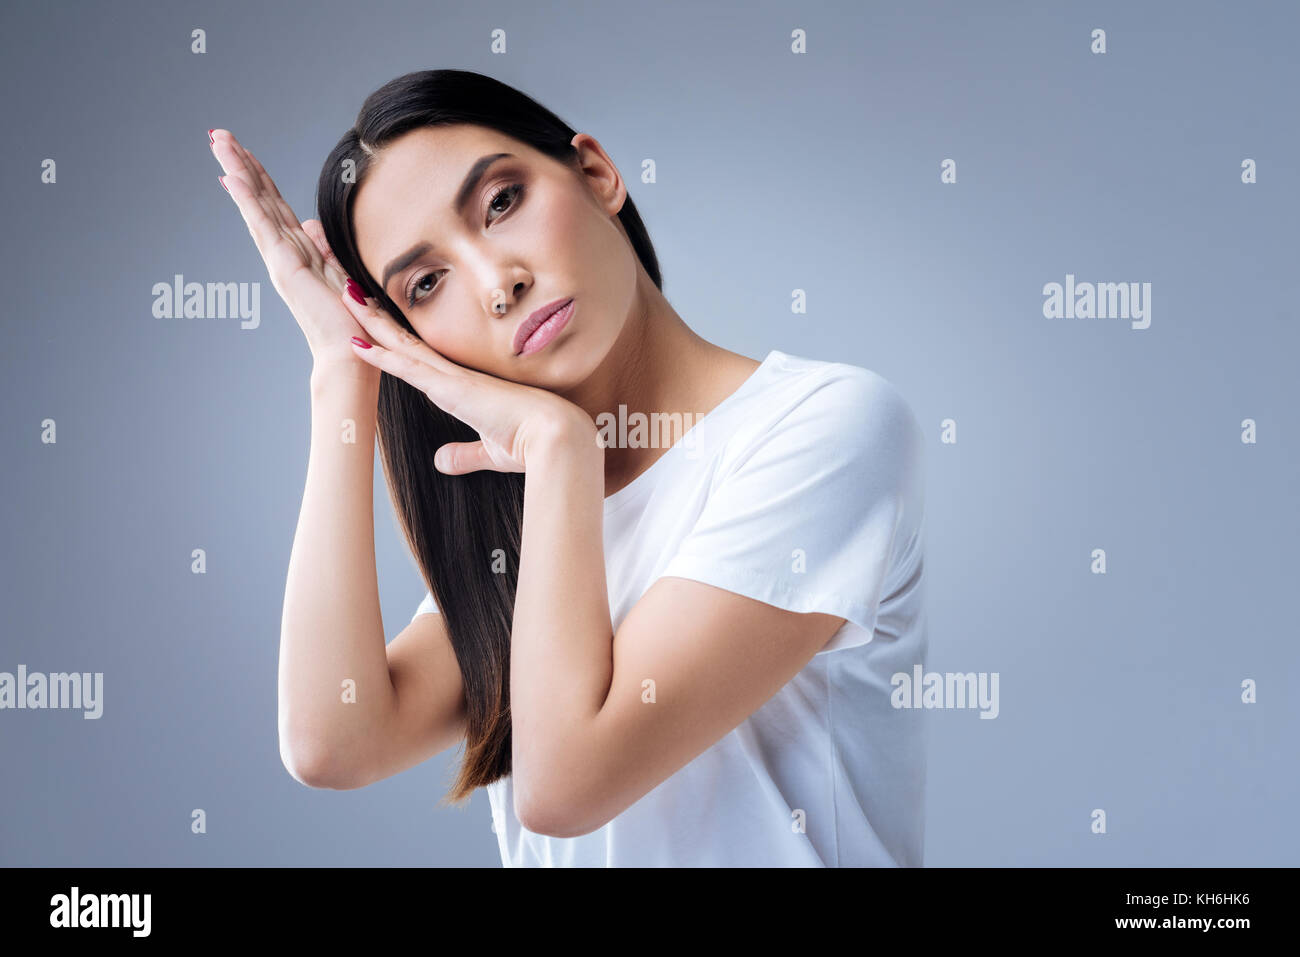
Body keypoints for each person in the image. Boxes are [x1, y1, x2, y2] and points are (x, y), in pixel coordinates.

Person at [209, 68, 927, 867]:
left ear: (596, 173)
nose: (498, 282)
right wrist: (345, 370)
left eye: (502, 202)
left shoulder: (825, 427)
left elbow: (564, 788)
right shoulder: (539, 518)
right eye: (427, 282)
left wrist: (560, 450)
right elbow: (333, 739)